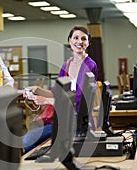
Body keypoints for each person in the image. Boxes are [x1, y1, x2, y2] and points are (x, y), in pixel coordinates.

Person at [22, 25, 98, 153]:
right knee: (28, 140)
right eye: (76, 38)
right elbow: (55, 93)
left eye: (83, 39)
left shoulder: (90, 65)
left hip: (77, 120)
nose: (79, 42)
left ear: (88, 43)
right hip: (62, 118)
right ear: (69, 40)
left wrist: (46, 101)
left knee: (28, 141)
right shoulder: (66, 65)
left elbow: (78, 100)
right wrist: (37, 90)